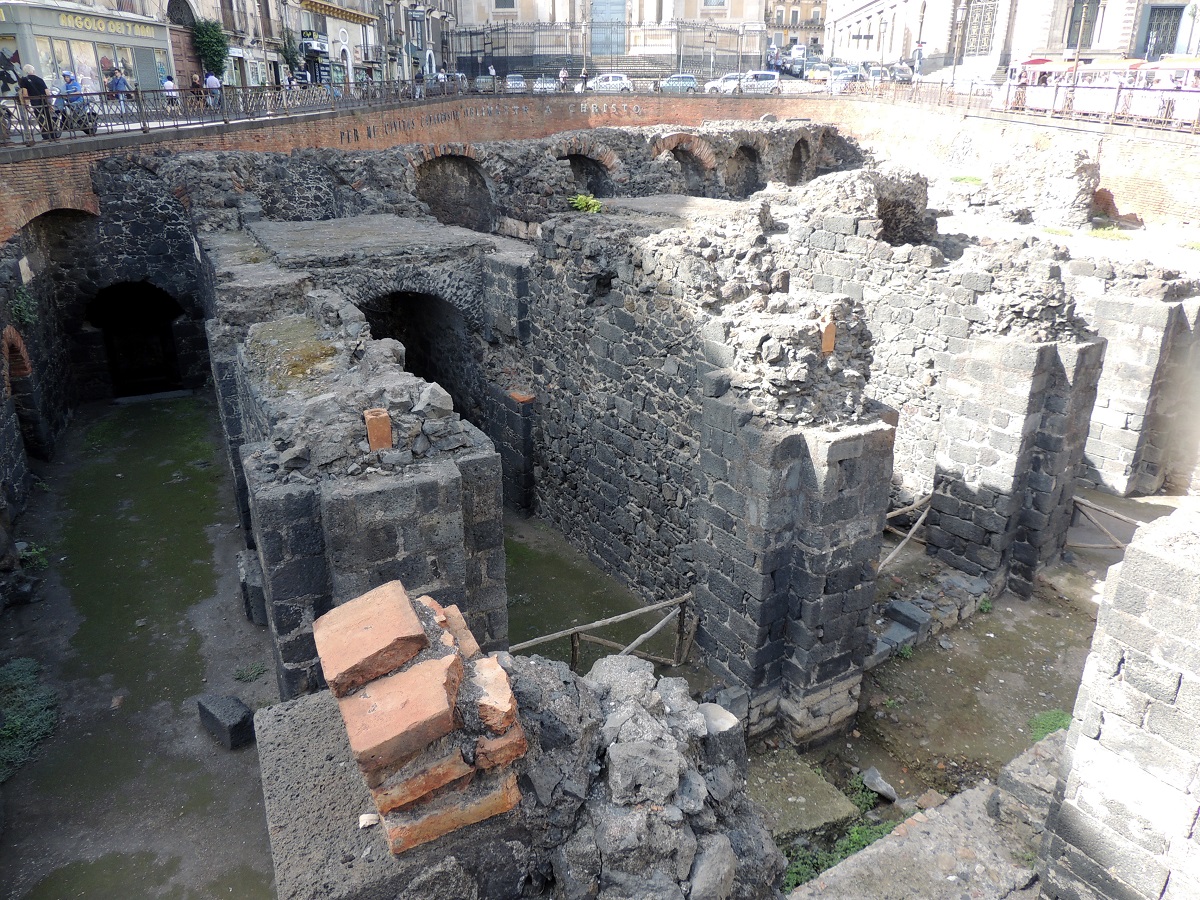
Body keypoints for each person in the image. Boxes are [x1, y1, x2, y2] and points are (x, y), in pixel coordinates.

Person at [18, 64, 55, 141]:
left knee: (40, 117)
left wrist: (26, 103)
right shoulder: (40, 79)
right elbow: (47, 92)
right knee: (48, 116)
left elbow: (25, 93)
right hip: (44, 100)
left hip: (35, 101)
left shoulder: (24, 80)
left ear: (25, 72)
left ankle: (45, 135)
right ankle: (52, 134)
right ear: (33, 70)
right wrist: (50, 103)